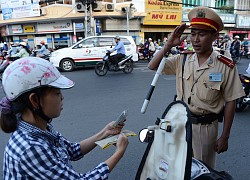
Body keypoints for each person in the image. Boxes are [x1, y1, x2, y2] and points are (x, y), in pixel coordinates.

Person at [148, 6, 245, 169]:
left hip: (205, 130)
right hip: (178, 126)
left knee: (201, 171)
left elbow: (230, 101)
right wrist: (168, 45)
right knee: (175, 170)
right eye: (193, 34)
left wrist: (225, 136)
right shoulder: (182, 59)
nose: (196, 39)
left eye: (202, 34)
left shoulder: (225, 66)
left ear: (214, 36)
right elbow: (152, 65)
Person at [0, 57, 129, 179]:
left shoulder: (41, 127)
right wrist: (119, 152)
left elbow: (71, 151)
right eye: (57, 93)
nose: (62, 98)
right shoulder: (30, 148)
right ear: (34, 100)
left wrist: (105, 132)